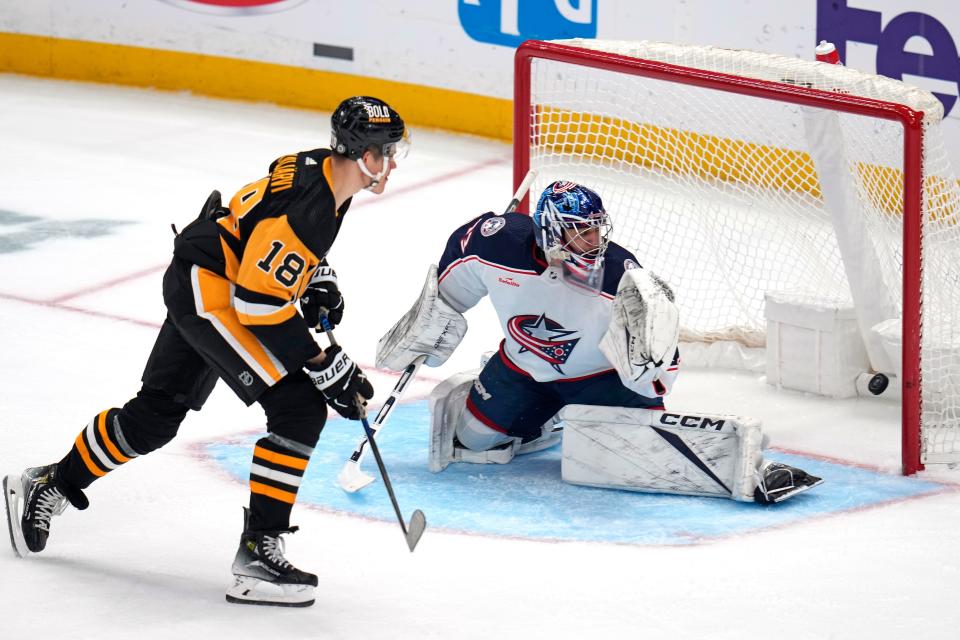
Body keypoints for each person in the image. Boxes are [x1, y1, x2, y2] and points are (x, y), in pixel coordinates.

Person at [2, 96, 409, 607]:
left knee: (155, 417)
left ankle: (48, 484)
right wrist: (325, 365)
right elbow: (258, 304)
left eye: (393, 152)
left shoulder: (323, 170)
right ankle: (259, 555)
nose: (389, 164)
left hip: (205, 270)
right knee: (300, 407)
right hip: (212, 292)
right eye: (382, 154)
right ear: (356, 152)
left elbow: (261, 224)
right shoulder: (314, 206)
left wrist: (314, 275)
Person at [375, 180, 823, 505]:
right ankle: (545, 420)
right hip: (522, 369)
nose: (594, 240)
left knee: (644, 457)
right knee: (472, 444)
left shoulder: (621, 276)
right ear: (550, 230)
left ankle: (756, 471)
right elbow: (456, 271)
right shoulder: (495, 244)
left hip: (602, 380)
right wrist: (430, 323)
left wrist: (646, 375)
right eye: (580, 230)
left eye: (596, 228)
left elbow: (659, 362)